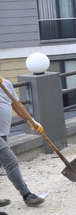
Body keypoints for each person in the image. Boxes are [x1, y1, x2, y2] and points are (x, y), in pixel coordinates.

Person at [0, 63, 45, 206]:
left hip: (3, 132)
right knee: (10, 161)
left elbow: (16, 105)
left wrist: (31, 121)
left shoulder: (5, 83)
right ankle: (27, 195)